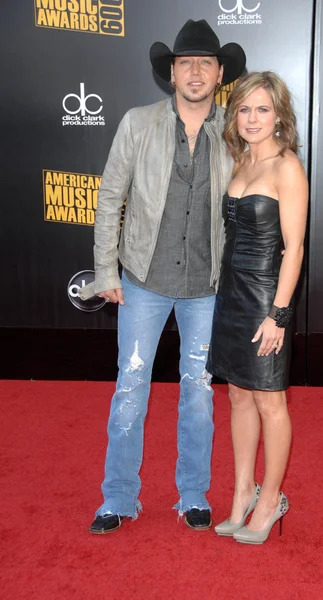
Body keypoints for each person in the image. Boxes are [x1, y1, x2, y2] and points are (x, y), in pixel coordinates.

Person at [79, 20, 246, 534]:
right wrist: (106, 268)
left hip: (207, 288)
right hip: (142, 282)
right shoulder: (137, 123)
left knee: (197, 392)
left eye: (205, 63)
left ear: (220, 74)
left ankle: (193, 493)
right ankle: (119, 497)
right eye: (185, 63)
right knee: (131, 386)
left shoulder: (237, 131)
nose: (195, 72)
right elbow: (110, 198)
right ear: (171, 72)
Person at [206, 72, 308, 544]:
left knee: (271, 401)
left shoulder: (287, 167)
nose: (252, 118)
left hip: (266, 297)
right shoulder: (240, 161)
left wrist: (279, 314)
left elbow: (295, 248)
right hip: (230, 295)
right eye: (244, 109)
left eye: (262, 109)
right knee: (239, 395)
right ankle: (242, 492)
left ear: (279, 115)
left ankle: (271, 500)